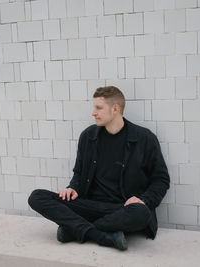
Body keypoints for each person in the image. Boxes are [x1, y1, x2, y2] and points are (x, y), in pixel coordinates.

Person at [28, 86, 170, 251]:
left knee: (142, 213)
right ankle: (100, 235)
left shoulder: (144, 138)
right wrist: (73, 187)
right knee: (37, 196)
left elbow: (161, 179)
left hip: (122, 209)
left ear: (115, 109)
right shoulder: (88, 136)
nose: (93, 113)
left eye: (99, 108)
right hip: (90, 205)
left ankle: (75, 229)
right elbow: (79, 173)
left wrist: (145, 199)